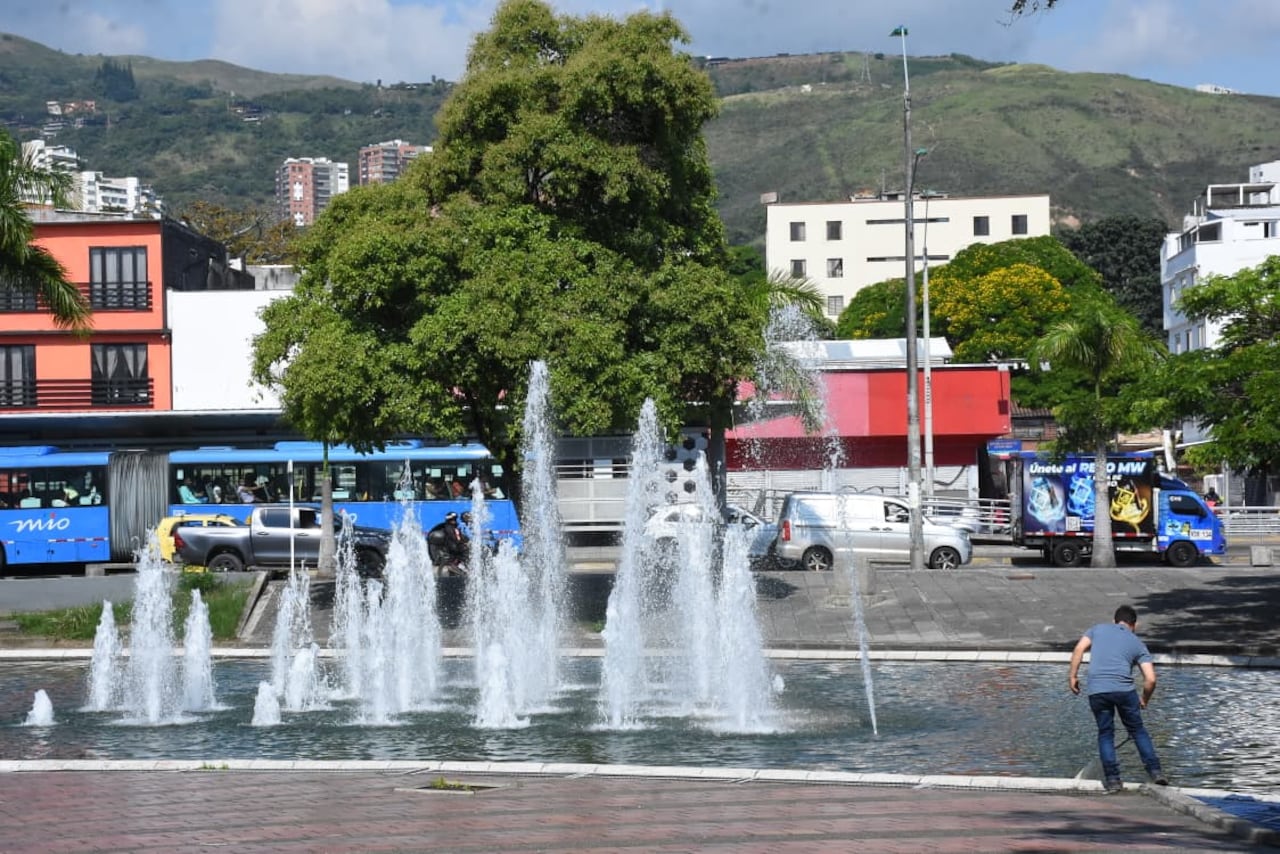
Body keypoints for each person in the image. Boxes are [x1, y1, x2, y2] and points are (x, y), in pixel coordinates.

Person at [1068, 604, 1168, 793]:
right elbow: (1151, 679)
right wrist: (1145, 699)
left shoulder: (1097, 629)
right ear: (1134, 624)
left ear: (1115, 621)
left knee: (1106, 733)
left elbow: (1079, 649)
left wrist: (1073, 676)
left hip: (1097, 690)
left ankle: (1113, 780)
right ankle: (1156, 772)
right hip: (1124, 691)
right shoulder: (1137, 643)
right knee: (1137, 730)